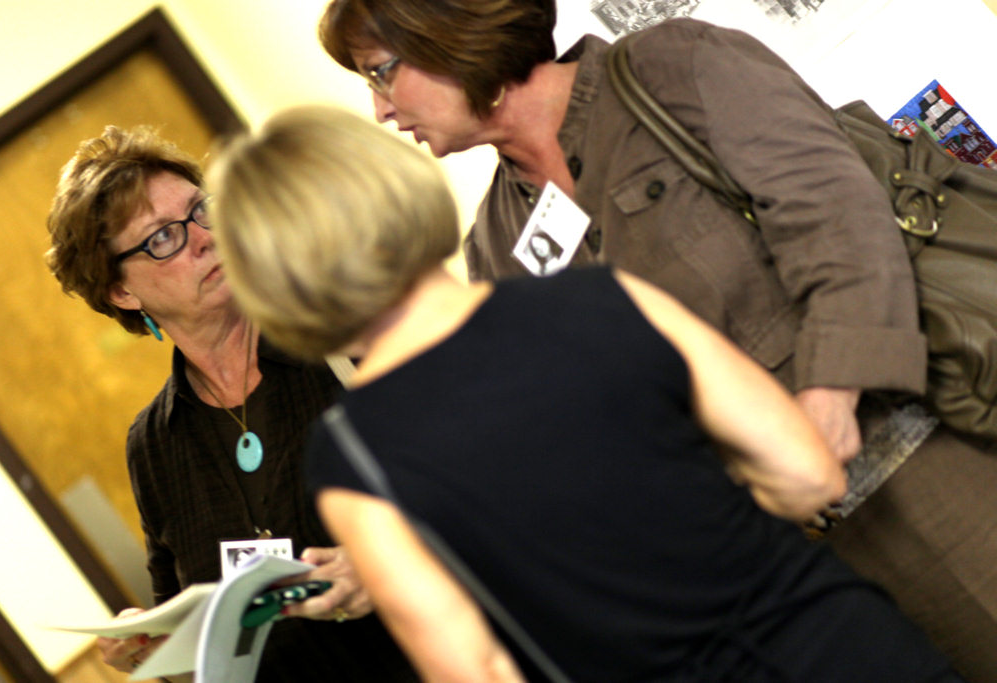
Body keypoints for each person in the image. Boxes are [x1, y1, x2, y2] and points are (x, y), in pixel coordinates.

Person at [318, 3, 997, 679]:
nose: (380, 110)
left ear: (448, 38)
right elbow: (549, 447)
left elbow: (837, 217)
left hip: (931, 469)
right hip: (790, 585)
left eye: (381, 72)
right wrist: (399, 549)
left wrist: (830, 395)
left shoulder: (671, 67)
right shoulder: (498, 248)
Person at [44, 125, 416, 681]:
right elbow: (200, 642)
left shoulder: (342, 327)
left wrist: (382, 566)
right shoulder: (154, 446)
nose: (203, 237)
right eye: (163, 238)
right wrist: (155, 653)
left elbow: (485, 480)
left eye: (201, 210)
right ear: (122, 291)